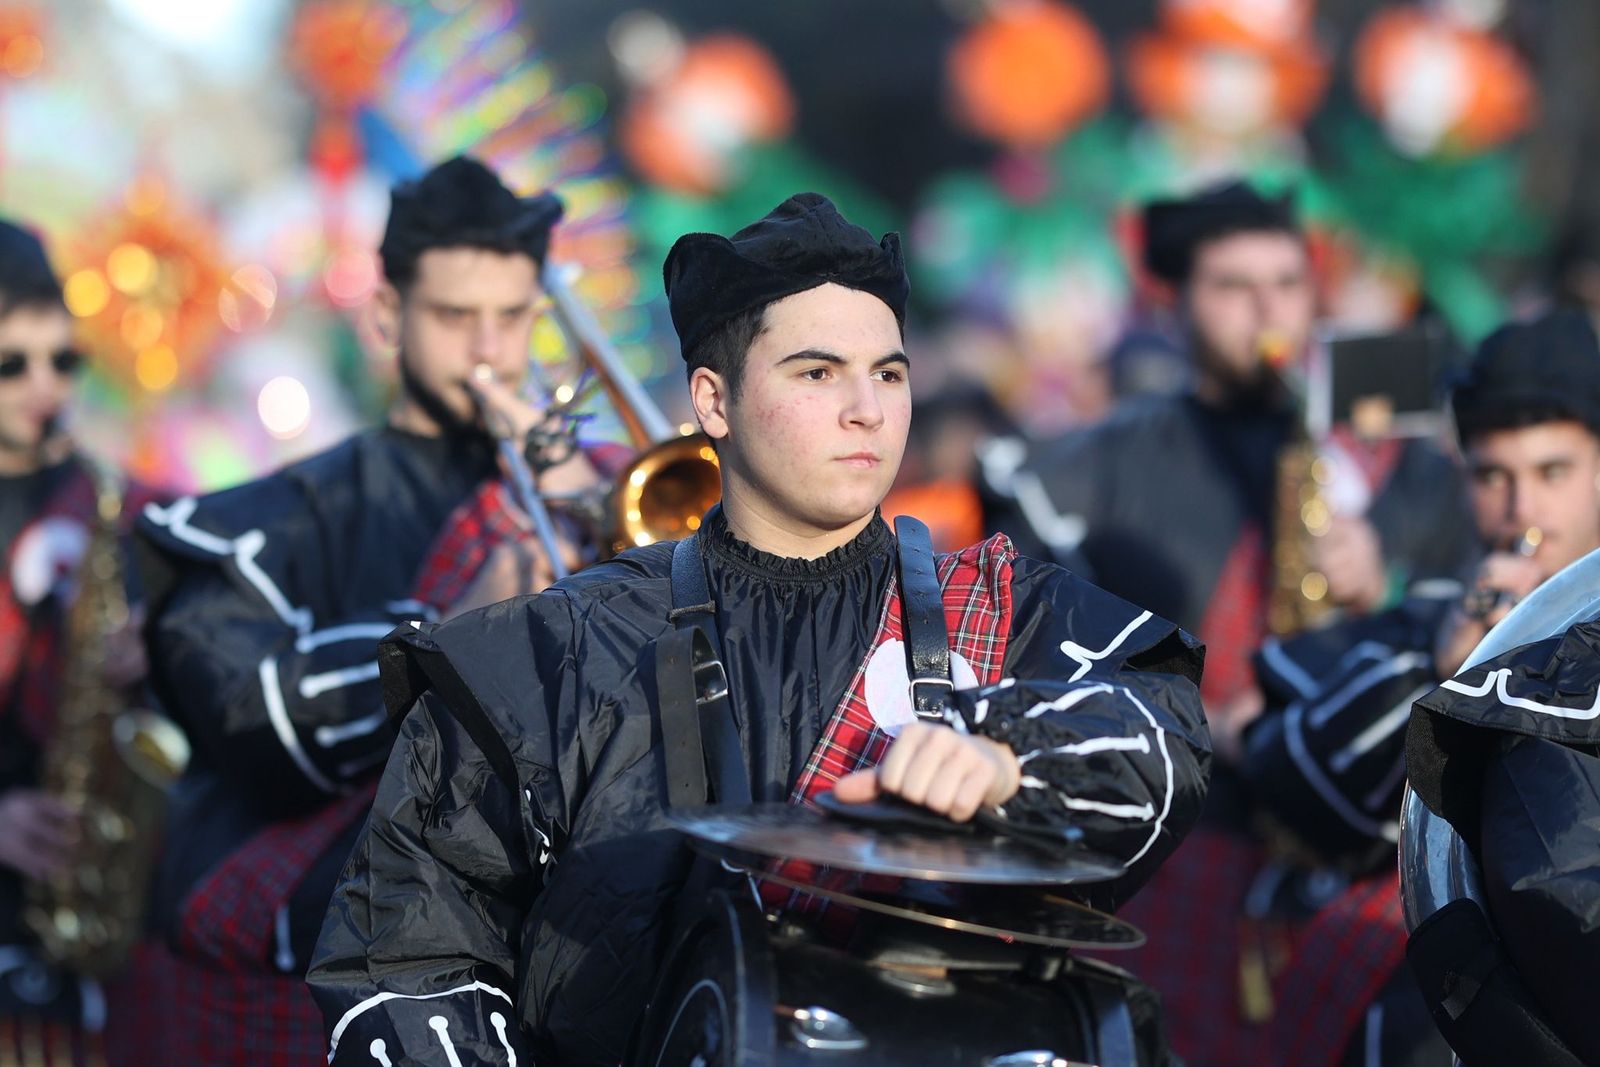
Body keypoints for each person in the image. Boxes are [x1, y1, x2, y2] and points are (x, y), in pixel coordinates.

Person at [307, 192, 1212, 1066]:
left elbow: (1166, 728)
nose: (869, 408)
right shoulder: (556, 647)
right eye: (817, 372)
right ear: (713, 400)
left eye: (889, 374)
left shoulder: (1014, 609)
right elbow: (408, 947)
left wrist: (1016, 757)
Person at [980, 180, 1473, 1065]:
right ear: (1175, 303)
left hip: (1354, 854)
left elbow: (1481, 616)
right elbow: (1031, 621)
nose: (1268, 310)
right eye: (1234, 288)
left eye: (1287, 284)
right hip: (1186, 838)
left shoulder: (1392, 457)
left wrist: (1388, 576)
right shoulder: (1111, 454)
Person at [134, 157, 600, 1064]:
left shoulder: (591, 486)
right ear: (389, 317)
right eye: (456, 317)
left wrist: (600, 523)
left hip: (546, 959)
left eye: (513, 317)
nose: (490, 351)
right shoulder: (286, 512)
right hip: (334, 956)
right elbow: (249, 723)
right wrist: (451, 630)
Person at [1249, 308, 1600, 1066]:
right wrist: (1449, 678)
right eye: (1492, 475)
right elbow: (1291, 782)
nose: (1521, 510)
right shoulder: (1430, 618)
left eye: (1553, 472)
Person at [0, 217, 160, 1064]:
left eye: (64, 360)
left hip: (90, 951)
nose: (44, 386)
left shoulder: (114, 502)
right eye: (12, 364)